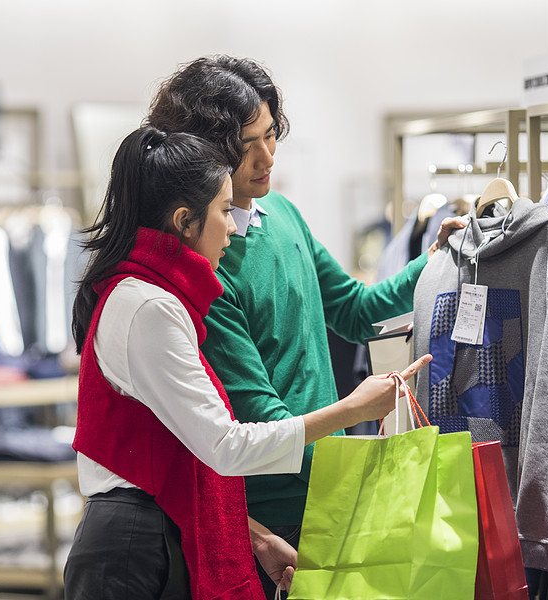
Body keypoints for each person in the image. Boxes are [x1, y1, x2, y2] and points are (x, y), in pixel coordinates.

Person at [64, 124, 431, 600]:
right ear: (183, 220)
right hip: (135, 544)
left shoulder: (158, 293)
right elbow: (225, 444)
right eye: (223, 210)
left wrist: (253, 537)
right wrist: (353, 411)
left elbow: (187, 450)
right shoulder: (151, 307)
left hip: (157, 527)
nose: (235, 226)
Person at [147, 55, 465, 598]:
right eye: (247, 145)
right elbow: (257, 414)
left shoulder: (284, 215)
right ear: (203, 150)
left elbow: (357, 309)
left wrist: (432, 258)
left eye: (272, 135)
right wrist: (365, 474)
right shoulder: (205, 266)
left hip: (333, 488)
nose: (266, 156)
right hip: (274, 518)